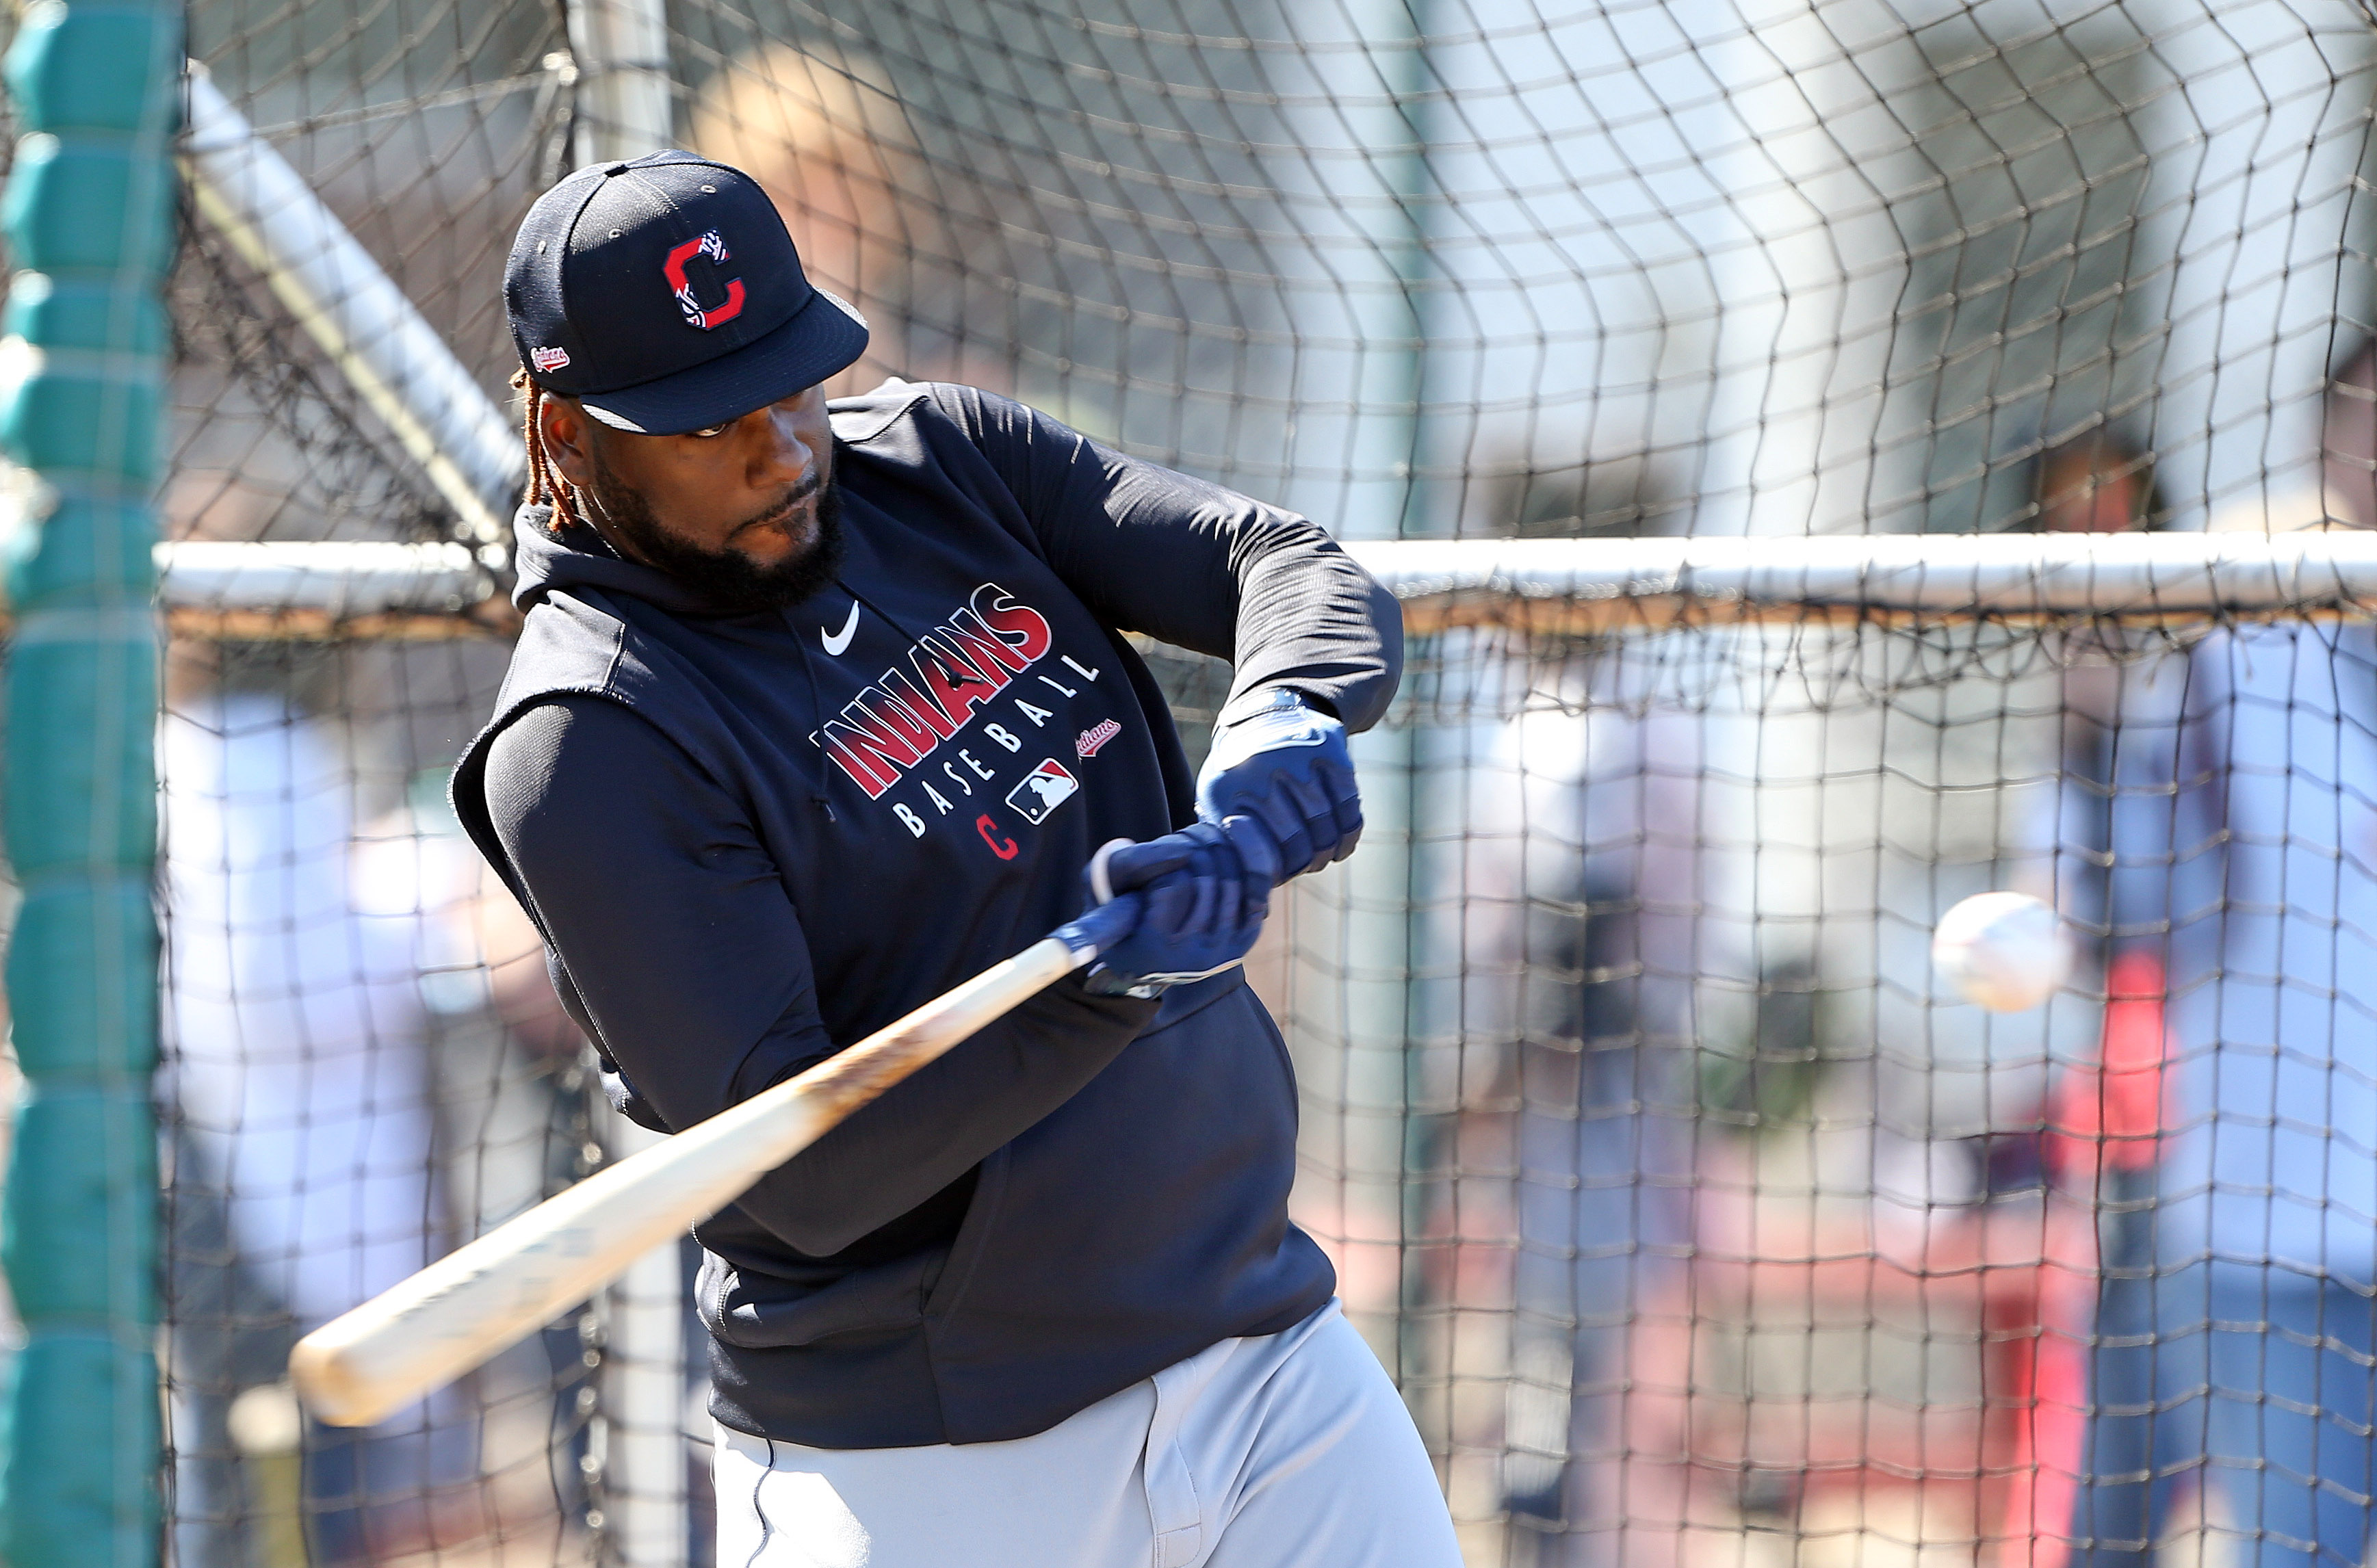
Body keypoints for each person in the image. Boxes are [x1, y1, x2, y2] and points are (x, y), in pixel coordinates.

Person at [445, 150, 1462, 1568]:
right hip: (936, 1462)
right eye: (709, 425)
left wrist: (1285, 719)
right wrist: (1109, 993)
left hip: (1261, 1342)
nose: (785, 452)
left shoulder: (942, 460)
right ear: (566, 436)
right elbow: (795, 1171)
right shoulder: (588, 741)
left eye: (791, 382)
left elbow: (1277, 561)